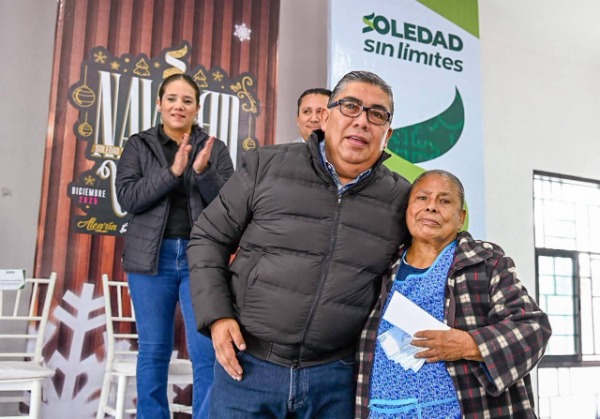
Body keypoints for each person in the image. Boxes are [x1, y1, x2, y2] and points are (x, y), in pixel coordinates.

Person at [187, 70, 412, 418]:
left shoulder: (401, 199)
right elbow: (208, 237)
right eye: (350, 106)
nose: (362, 121)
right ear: (326, 117)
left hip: (337, 378)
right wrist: (217, 316)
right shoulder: (266, 165)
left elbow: (436, 255)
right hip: (248, 367)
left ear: (388, 134)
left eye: (377, 114)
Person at [355, 169, 552, 418]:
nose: (431, 207)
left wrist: (470, 345)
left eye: (444, 201)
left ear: (461, 218)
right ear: (407, 209)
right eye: (422, 198)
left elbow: (534, 328)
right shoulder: (381, 267)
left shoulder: (486, 262)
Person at [115, 73, 234, 418]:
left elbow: (230, 206)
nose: (178, 106)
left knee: (207, 353)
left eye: (187, 100)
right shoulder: (139, 145)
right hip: (151, 260)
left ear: (197, 108)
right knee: (153, 351)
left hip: (202, 260)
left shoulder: (214, 148)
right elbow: (128, 198)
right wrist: (173, 173)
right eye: (171, 99)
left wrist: (203, 172)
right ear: (159, 104)